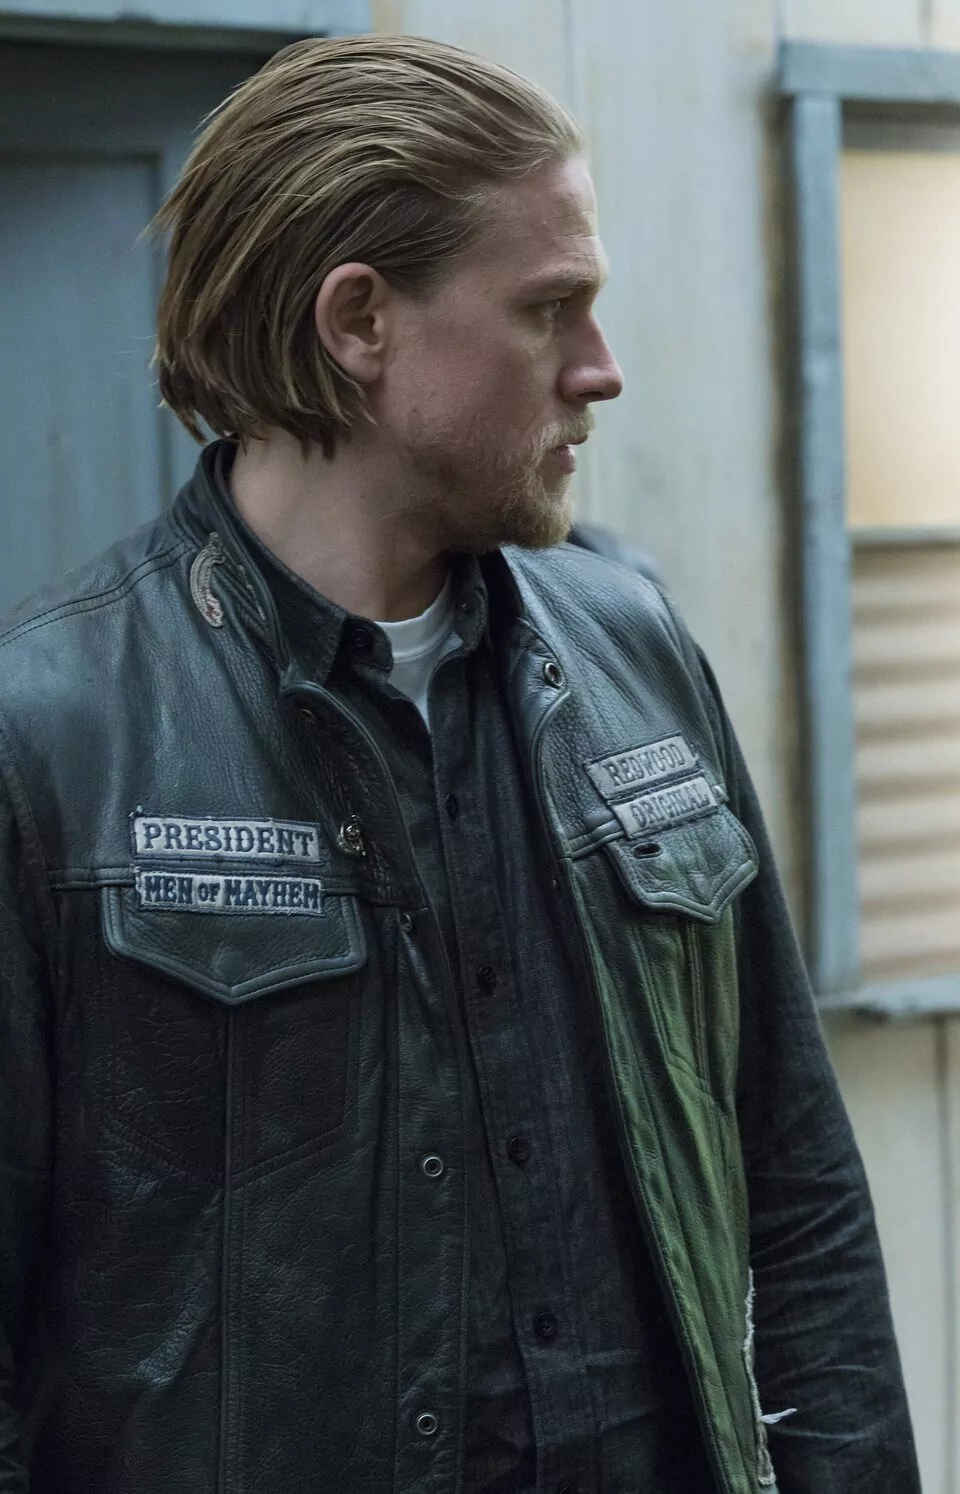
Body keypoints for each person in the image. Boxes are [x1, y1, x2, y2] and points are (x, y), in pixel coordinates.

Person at [0, 34, 918, 1494]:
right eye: (550, 308)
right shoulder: (49, 732)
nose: (601, 369)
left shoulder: (637, 653)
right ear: (360, 320)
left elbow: (798, 1191)